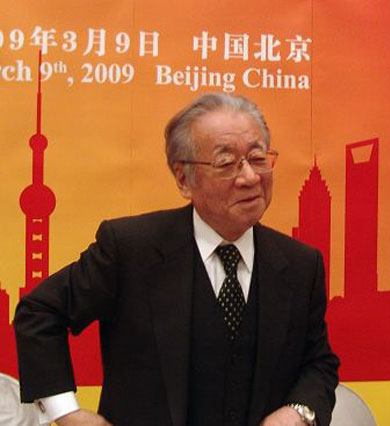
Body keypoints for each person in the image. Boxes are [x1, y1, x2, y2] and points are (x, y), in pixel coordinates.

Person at [14, 93, 339, 426]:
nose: (250, 177)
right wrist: (66, 413)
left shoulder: (300, 265)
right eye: (226, 164)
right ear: (184, 179)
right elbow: (39, 312)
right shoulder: (131, 249)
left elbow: (318, 362)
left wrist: (300, 411)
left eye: (258, 158)